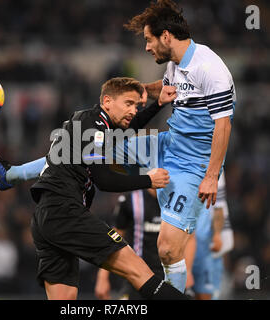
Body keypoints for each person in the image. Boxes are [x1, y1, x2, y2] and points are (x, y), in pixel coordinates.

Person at [0, 77, 187, 300]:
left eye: (136, 106)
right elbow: (104, 180)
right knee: (139, 271)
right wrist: (148, 180)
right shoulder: (94, 125)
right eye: (128, 104)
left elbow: (127, 130)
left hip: (46, 218)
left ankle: (10, 175)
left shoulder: (91, 124)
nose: (134, 111)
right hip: (65, 211)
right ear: (107, 101)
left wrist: (158, 104)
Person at [119, 0, 236, 293]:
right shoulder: (177, 64)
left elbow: (224, 125)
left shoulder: (210, 68)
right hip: (167, 144)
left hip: (192, 165)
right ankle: (13, 174)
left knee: (168, 250)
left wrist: (210, 176)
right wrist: (140, 90)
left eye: (148, 40)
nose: (147, 47)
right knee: (92, 147)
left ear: (166, 36)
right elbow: (169, 86)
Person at [95, 188, 164, 300]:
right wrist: (102, 277)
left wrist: (188, 272)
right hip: (136, 274)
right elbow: (115, 238)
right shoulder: (130, 199)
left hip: (169, 274)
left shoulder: (178, 200)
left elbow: (189, 238)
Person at [188, 172, 234, 300]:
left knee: (206, 294)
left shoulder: (217, 168)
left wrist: (218, 234)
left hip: (205, 246)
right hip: (182, 241)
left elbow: (219, 205)